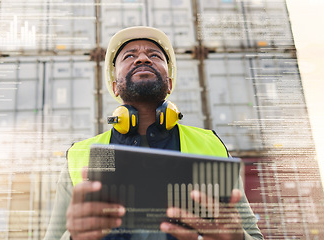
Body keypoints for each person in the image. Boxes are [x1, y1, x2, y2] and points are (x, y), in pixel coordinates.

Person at [44, 26, 263, 240]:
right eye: (129, 56)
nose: (142, 59)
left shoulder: (210, 145)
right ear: (115, 88)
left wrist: (237, 237)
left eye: (155, 55)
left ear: (169, 83)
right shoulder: (81, 155)